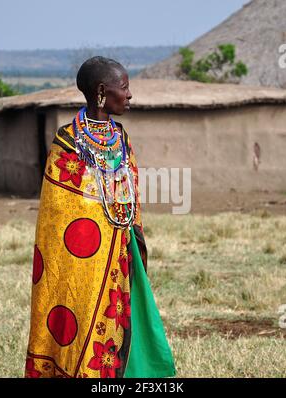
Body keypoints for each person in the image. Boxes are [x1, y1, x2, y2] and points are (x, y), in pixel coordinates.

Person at [24, 56, 176, 378]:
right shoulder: (67, 143)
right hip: (81, 261)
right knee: (83, 331)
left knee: (122, 333)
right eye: (125, 87)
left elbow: (129, 195)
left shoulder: (120, 138)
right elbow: (60, 213)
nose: (130, 94)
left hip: (120, 253)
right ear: (102, 92)